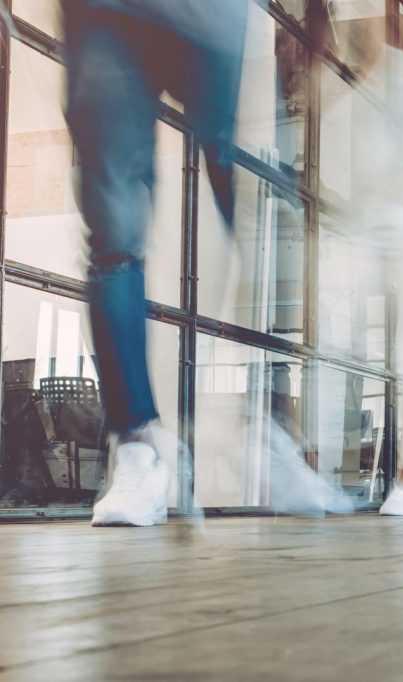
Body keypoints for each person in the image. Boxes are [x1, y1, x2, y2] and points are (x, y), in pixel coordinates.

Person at [62, 0, 249, 526]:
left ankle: (246, 419)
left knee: (229, 189)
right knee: (113, 234)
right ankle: (138, 448)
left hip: (210, 18)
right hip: (103, 15)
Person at [320, 17, 403, 516]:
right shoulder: (350, 99)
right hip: (370, 232)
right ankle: (323, 468)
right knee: (332, 337)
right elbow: (343, 183)